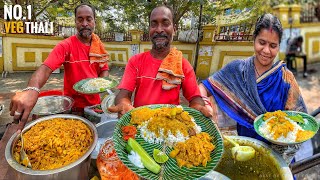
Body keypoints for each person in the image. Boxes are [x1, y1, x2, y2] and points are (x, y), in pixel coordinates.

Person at [199, 14, 307, 164]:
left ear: (279, 46)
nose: (266, 51)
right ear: (254, 39)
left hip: (275, 154)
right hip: (244, 149)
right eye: (261, 42)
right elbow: (203, 87)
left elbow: (300, 119)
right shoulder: (237, 70)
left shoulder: (286, 79)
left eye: (273, 46)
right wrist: (203, 102)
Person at [10, 3, 109, 130]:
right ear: (75, 22)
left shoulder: (99, 47)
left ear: (94, 21)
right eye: (80, 19)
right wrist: (31, 89)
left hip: (95, 106)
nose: (84, 23)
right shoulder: (65, 46)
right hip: (73, 108)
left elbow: (104, 70)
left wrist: (101, 85)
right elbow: (45, 69)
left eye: (89, 19)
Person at [108, 5, 210, 118]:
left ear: (174, 29)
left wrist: (198, 107)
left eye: (165, 23)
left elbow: (195, 98)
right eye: (154, 24)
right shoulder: (135, 61)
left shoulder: (182, 65)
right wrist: (124, 104)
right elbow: (123, 94)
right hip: (141, 124)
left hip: (170, 127)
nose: (159, 29)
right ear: (149, 30)